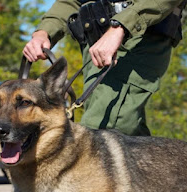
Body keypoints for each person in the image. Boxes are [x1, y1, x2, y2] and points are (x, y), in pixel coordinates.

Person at [23, 0, 186, 136]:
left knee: (102, 136)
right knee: (127, 140)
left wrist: (121, 27)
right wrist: (44, 32)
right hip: (95, 44)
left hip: (136, 39)